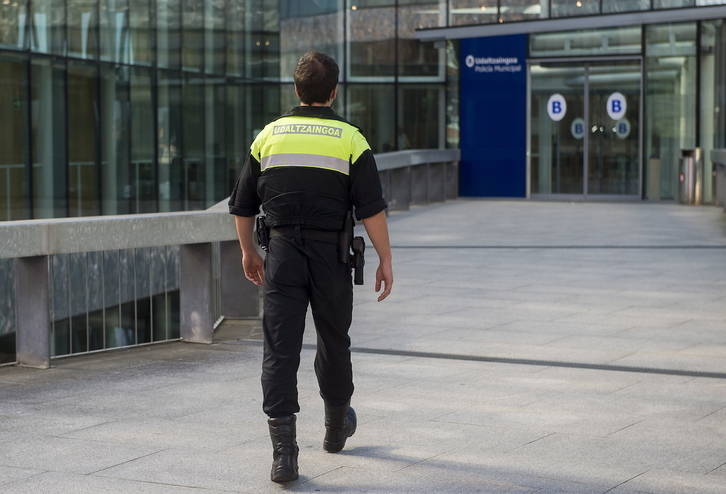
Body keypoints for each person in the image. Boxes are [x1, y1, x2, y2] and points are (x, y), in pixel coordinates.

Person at [228, 50, 394, 483]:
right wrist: (386, 258)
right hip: (332, 257)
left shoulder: (268, 136)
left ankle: (284, 455)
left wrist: (249, 251)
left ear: (297, 89)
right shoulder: (350, 138)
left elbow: (243, 205)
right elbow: (371, 208)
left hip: (280, 254)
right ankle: (336, 428)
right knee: (334, 342)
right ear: (334, 92)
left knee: (280, 350)